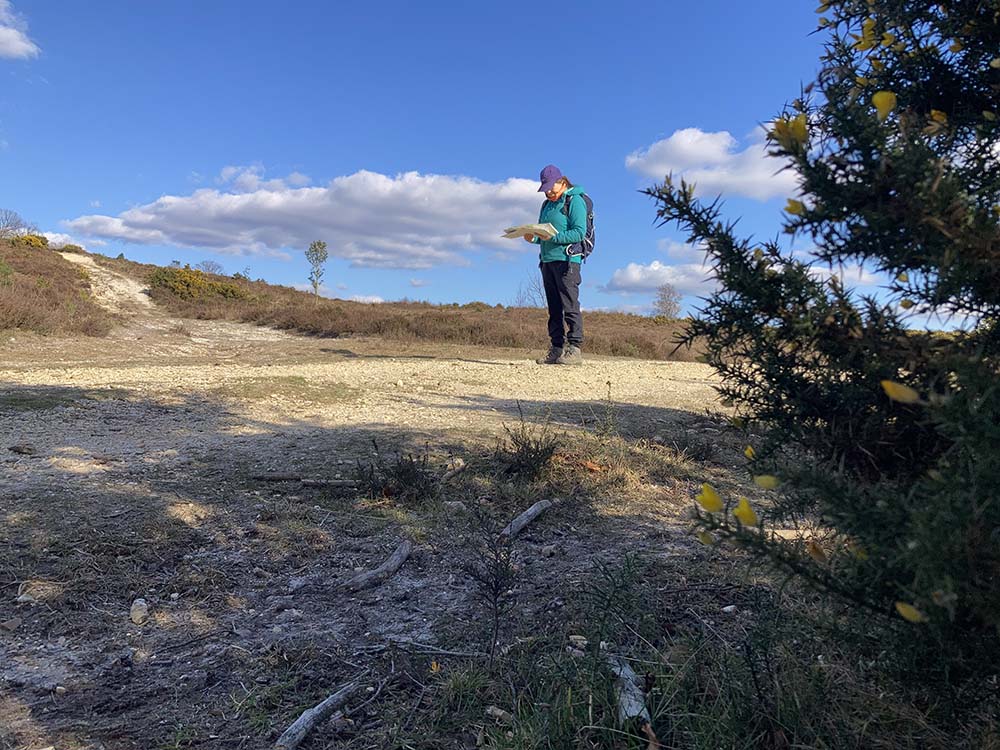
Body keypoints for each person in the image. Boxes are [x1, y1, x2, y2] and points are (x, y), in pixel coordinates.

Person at [524, 164, 586, 365]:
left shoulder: (574, 201)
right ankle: (556, 348)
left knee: (570, 305)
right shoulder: (546, 205)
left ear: (562, 182)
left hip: (567, 261)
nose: (548, 192)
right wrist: (533, 238)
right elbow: (543, 235)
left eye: (551, 187)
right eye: (545, 189)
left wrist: (554, 237)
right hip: (547, 261)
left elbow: (579, 232)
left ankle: (574, 349)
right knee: (554, 308)